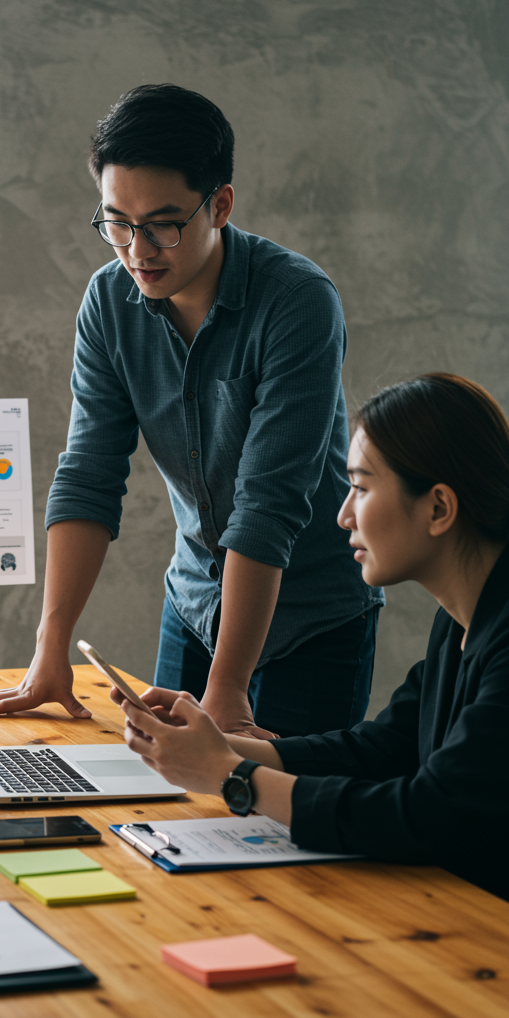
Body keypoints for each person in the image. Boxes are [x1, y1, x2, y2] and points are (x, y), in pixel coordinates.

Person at [0, 84, 383, 739]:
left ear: (220, 204)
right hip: (193, 605)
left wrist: (228, 687)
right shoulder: (108, 303)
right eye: (116, 223)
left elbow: (267, 503)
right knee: (162, 821)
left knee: (285, 829)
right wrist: (51, 644)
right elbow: (89, 473)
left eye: (161, 224)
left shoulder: (297, 302)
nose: (136, 249)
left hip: (311, 618)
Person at [114, 374, 508, 901]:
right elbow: (384, 748)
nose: (343, 514)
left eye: (362, 488)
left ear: (438, 508)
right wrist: (214, 746)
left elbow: (428, 814)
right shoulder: (462, 618)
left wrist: (234, 777)